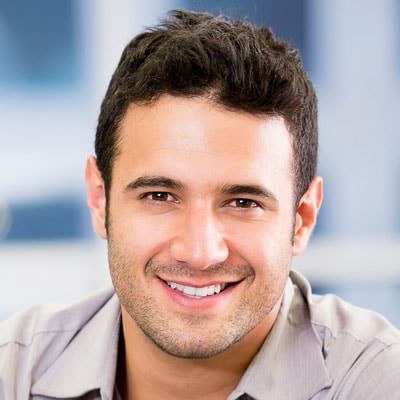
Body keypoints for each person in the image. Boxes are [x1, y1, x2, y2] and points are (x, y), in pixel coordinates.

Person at [1, 9, 399, 400]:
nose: (199, 253)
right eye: (159, 196)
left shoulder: (377, 382)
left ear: (303, 219)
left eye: (243, 202)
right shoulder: (14, 371)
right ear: (99, 199)